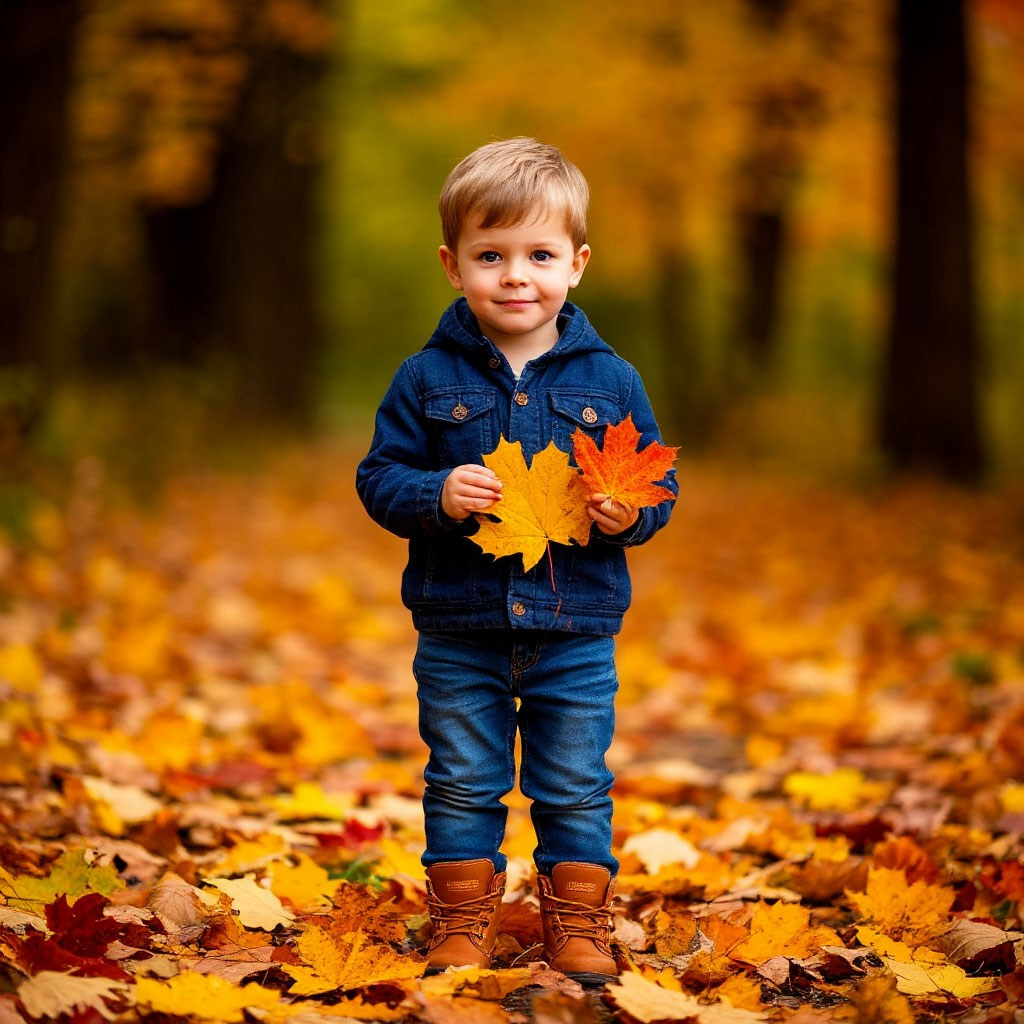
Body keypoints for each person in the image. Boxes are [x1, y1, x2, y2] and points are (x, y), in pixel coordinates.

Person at [356, 138, 676, 983]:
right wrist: (435, 494)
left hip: (576, 627)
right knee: (462, 777)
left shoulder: (613, 380)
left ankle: (577, 923)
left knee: (572, 781)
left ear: (577, 263)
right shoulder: (425, 378)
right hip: (459, 625)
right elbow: (379, 476)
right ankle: (463, 920)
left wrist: (625, 515)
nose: (515, 275)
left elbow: (659, 483)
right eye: (489, 255)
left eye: (539, 255)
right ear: (452, 266)